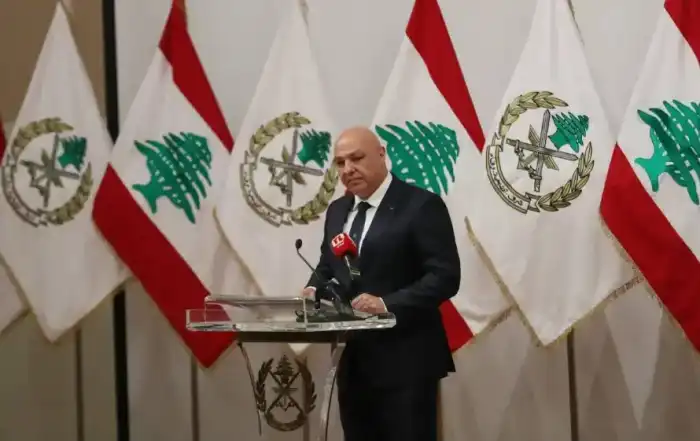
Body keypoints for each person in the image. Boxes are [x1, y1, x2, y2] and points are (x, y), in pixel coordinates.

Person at [302, 126, 461, 441]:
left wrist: (387, 304)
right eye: (340, 163)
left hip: (407, 362)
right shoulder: (337, 210)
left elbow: (445, 277)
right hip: (353, 360)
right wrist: (312, 289)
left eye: (357, 158)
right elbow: (327, 265)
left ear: (381, 154)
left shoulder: (420, 205)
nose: (348, 169)